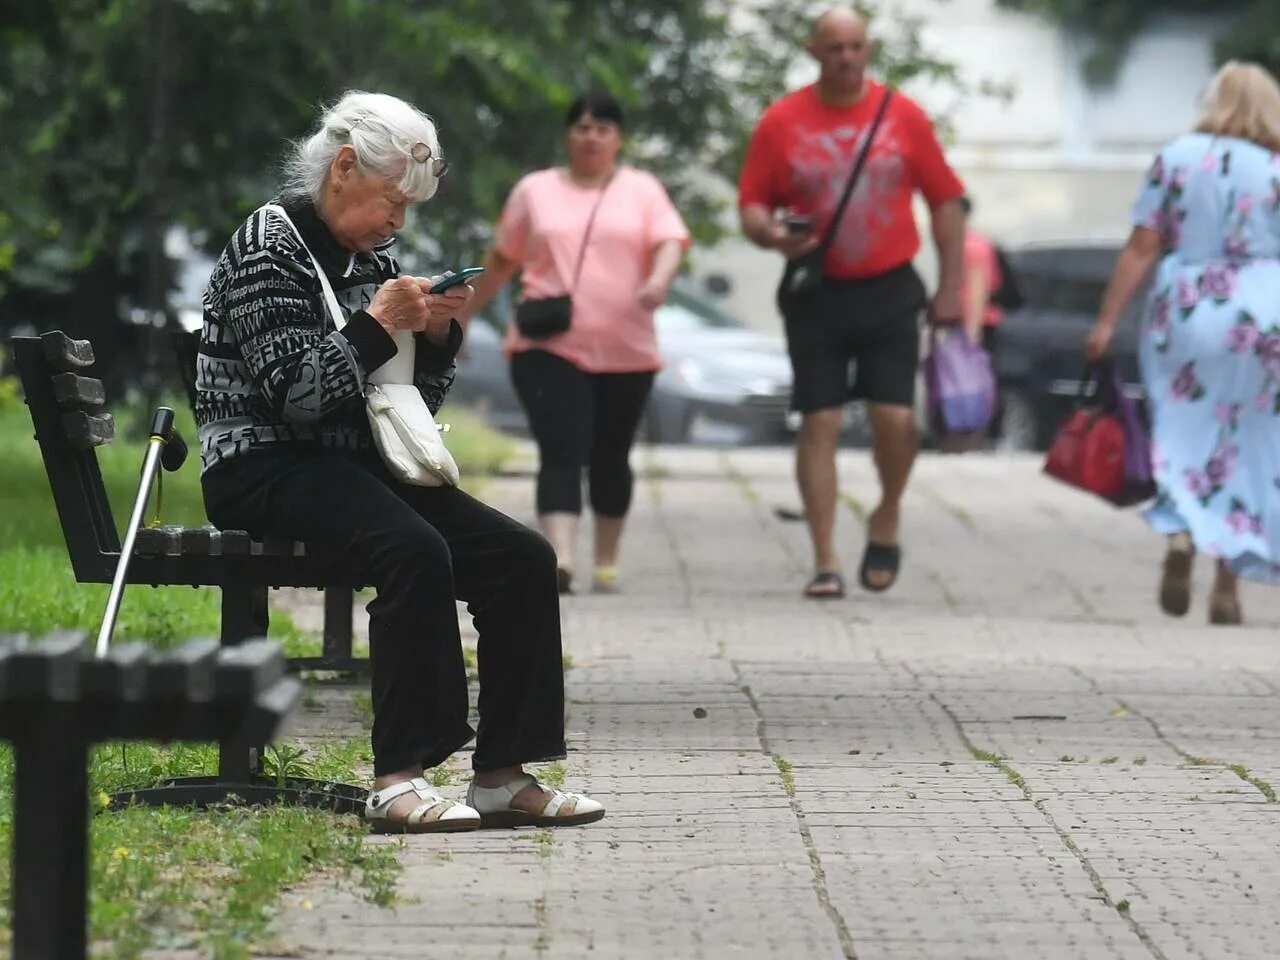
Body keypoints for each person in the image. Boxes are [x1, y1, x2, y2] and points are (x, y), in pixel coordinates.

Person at [196, 90, 605, 832]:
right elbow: (296, 396)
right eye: (392, 200)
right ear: (344, 167)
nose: (398, 223)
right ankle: (397, 780)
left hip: (354, 464)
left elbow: (404, 393)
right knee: (411, 548)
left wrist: (437, 336)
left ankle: (504, 776)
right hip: (261, 464)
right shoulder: (268, 245)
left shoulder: (372, 253)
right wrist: (379, 323)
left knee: (521, 556)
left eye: (408, 209)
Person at [738, 7, 966, 599]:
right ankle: (825, 558)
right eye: (834, 47)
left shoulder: (903, 116)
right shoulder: (782, 120)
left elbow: (946, 201)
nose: (845, 57)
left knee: (895, 419)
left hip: (890, 286)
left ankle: (886, 513)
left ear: (868, 51)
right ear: (815, 51)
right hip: (817, 291)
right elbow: (752, 206)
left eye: (856, 46)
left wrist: (951, 286)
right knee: (822, 420)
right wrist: (772, 235)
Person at [460, 91, 690, 596]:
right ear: (568, 135)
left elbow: (671, 241)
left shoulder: (642, 189)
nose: (591, 136)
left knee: (611, 453)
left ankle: (606, 560)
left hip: (627, 349)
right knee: (561, 448)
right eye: (582, 127)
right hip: (548, 346)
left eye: (602, 128)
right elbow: (502, 259)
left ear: (618, 138)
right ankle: (561, 557)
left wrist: (658, 280)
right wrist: (462, 316)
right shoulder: (535, 190)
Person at [1087, 61, 1280, 626]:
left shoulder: (1175, 159)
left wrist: (1105, 323)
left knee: (1182, 431)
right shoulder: (1275, 166)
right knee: (1250, 439)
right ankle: (1227, 581)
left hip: (1190, 307)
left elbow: (1142, 247)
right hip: (1265, 311)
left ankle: (1181, 533)